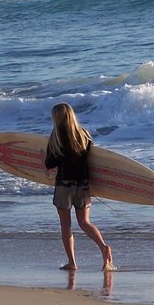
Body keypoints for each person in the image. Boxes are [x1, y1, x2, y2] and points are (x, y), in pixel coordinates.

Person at [44, 102, 113, 271]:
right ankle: (103, 247)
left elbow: (50, 163)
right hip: (83, 185)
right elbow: (93, 159)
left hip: (64, 186)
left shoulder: (56, 137)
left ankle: (72, 263)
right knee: (84, 222)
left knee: (66, 224)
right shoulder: (84, 135)